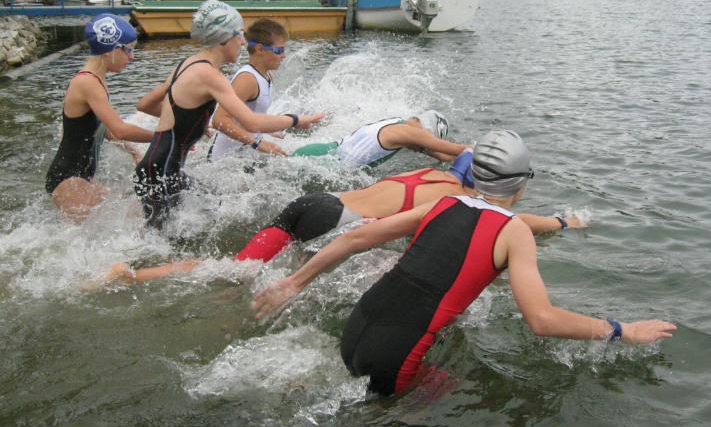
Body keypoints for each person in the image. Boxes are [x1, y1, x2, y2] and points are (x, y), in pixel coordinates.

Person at [252, 130, 676, 396]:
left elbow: (356, 237)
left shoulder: (442, 202)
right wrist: (621, 331)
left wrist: (294, 282)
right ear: (521, 184)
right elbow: (542, 320)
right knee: (449, 402)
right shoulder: (515, 231)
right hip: (397, 353)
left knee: (363, 389)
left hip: (357, 327)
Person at [92, 150, 583, 284]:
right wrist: (562, 223)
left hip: (314, 202)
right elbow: (518, 223)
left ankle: (133, 273)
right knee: (251, 276)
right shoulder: (458, 198)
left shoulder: (428, 175)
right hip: (331, 220)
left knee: (239, 268)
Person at [133, 0, 324, 227]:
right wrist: (295, 120)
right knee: (167, 241)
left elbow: (145, 104)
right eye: (239, 35)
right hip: (162, 171)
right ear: (223, 37)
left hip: (156, 166)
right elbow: (251, 122)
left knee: (205, 210)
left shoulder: (187, 63)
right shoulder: (211, 75)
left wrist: (193, 123)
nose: (243, 42)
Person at [45, 14, 154, 223]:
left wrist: (131, 149)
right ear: (109, 49)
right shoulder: (88, 83)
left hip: (81, 176)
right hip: (67, 179)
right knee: (99, 236)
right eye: (128, 50)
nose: (131, 57)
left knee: (129, 216)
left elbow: (100, 126)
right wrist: (163, 135)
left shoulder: (97, 80)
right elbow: (120, 128)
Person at [207, 18, 292, 160]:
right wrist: (257, 142)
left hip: (244, 156)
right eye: (279, 50)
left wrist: (268, 131)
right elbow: (219, 120)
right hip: (223, 161)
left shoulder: (266, 76)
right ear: (260, 49)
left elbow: (249, 115)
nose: (284, 56)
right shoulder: (247, 79)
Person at [291, 111, 466, 166]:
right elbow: (458, 150)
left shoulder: (398, 124)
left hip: (317, 152)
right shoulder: (414, 134)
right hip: (323, 164)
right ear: (428, 132)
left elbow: (445, 156)